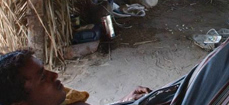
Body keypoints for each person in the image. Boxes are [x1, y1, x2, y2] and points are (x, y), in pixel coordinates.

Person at [0, 49, 151, 105]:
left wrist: (122, 102)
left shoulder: (60, 99)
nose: (54, 75)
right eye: (42, 78)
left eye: (45, 70)